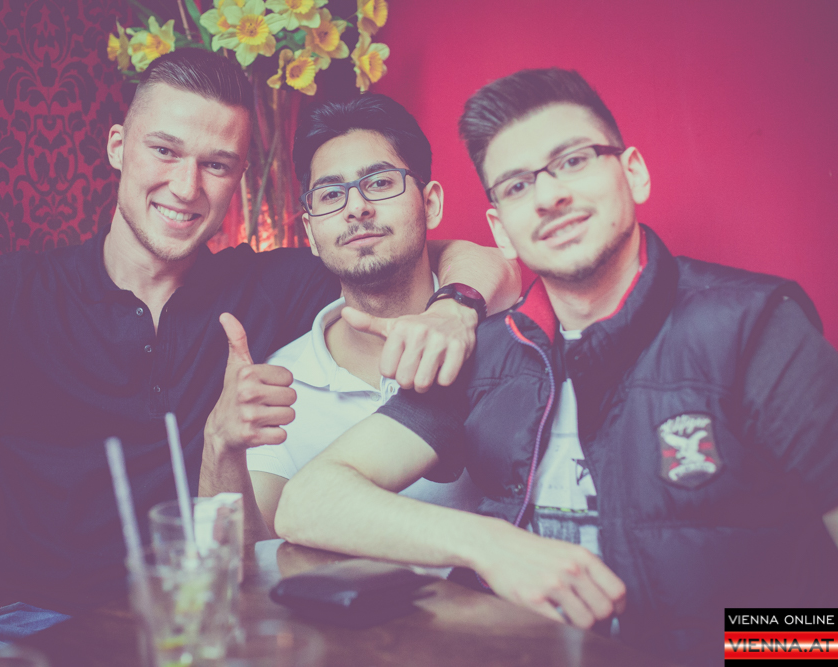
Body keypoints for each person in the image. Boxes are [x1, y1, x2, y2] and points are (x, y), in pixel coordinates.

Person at [0, 50, 516, 611]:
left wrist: (453, 307)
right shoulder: (17, 290)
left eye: (216, 164)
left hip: (207, 613)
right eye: (164, 150)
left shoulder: (269, 286)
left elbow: (443, 252)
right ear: (118, 147)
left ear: (237, 179)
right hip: (39, 623)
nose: (187, 187)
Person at [273, 68, 838, 666]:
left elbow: (821, 622)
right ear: (500, 229)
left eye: (572, 161)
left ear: (633, 173)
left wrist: (728, 652)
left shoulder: (753, 325)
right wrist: (490, 545)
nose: (548, 197)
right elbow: (308, 501)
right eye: (517, 185)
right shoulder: (484, 353)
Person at [198, 94, 515, 541]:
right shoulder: (283, 384)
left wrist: (454, 312)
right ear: (310, 232)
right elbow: (249, 556)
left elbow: (502, 265)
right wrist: (220, 444)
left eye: (380, 183)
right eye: (331, 194)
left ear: (430, 203)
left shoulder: (493, 330)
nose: (356, 207)